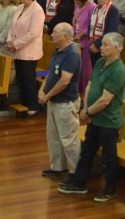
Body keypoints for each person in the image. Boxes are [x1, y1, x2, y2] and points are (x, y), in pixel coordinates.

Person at [58, 33, 125, 203]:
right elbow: (89, 86)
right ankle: (79, 184)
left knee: (109, 157)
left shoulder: (118, 70)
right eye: (102, 44)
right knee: (87, 152)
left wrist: (88, 113)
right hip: (94, 118)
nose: (101, 47)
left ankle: (110, 190)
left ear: (116, 48)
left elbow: (105, 100)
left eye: (105, 45)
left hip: (108, 121)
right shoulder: (101, 62)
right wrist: (86, 109)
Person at [39, 23, 82, 179]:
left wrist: (47, 96)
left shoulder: (71, 54)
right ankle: (58, 167)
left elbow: (64, 81)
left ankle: (77, 173)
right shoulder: (58, 51)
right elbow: (51, 73)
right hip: (54, 101)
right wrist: (41, 90)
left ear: (65, 36)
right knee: (54, 136)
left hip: (65, 103)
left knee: (69, 139)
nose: (51, 35)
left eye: (55, 32)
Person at [7, 0, 46, 118]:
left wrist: (15, 44)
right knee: (21, 78)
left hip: (29, 51)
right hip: (17, 49)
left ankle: (33, 106)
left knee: (28, 79)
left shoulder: (37, 10)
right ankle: (24, 103)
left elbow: (33, 33)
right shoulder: (20, 7)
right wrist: (9, 41)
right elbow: (12, 27)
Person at [70, 0, 96, 97]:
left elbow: (92, 25)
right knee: (76, 69)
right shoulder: (76, 5)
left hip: (85, 42)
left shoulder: (92, 6)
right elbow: (75, 19)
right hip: (75, 40)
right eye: (74, 0)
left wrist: (81, 34)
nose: (76, 2)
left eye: (77, 0)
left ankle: (85, 95)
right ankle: (76, 92)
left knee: (85, 71)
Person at [89, 0, 119, 68]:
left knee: (103, 70)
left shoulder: (113, 10)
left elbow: (111, 31)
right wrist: (91, 43)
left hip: (105, 47)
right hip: (92, 45)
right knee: (94, 70)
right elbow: (90, 25)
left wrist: (97, 45)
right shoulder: (95, 8)